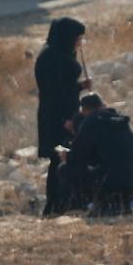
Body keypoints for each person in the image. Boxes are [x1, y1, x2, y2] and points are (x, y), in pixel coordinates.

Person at [35, 17, 90, 217]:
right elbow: (55, 93)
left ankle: (63, 203)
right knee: (58, 159)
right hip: (57, 117)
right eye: (77, 39)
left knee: (64, 160)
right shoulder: (52, 58)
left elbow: (65, 88)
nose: (79, 43)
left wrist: (80, 87)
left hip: (65, 114)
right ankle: (55, 204)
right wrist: (65, 120)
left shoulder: (61, 54)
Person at [60, 92, 133, 216]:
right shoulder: (120, 120)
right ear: (103, 105)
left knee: (65, 169)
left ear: (84, 110)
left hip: (111, 184)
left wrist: (65, 156)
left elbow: (78, 156)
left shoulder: (91, 122)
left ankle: (87, 206)